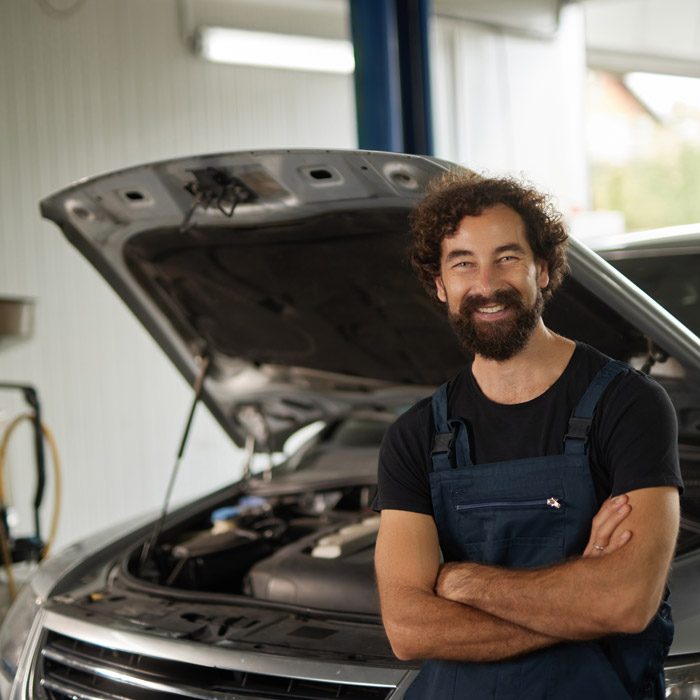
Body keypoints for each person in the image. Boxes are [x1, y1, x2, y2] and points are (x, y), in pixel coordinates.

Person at [373, 171, 683, 700]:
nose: (487, 284)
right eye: (463, 262)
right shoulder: (416, 434)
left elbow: (627, 603)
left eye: (507, 257)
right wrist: (579, 603)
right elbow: (409, 630)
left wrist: (460, 583)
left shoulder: (628, 405)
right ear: (439, 283)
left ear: (542, 268)